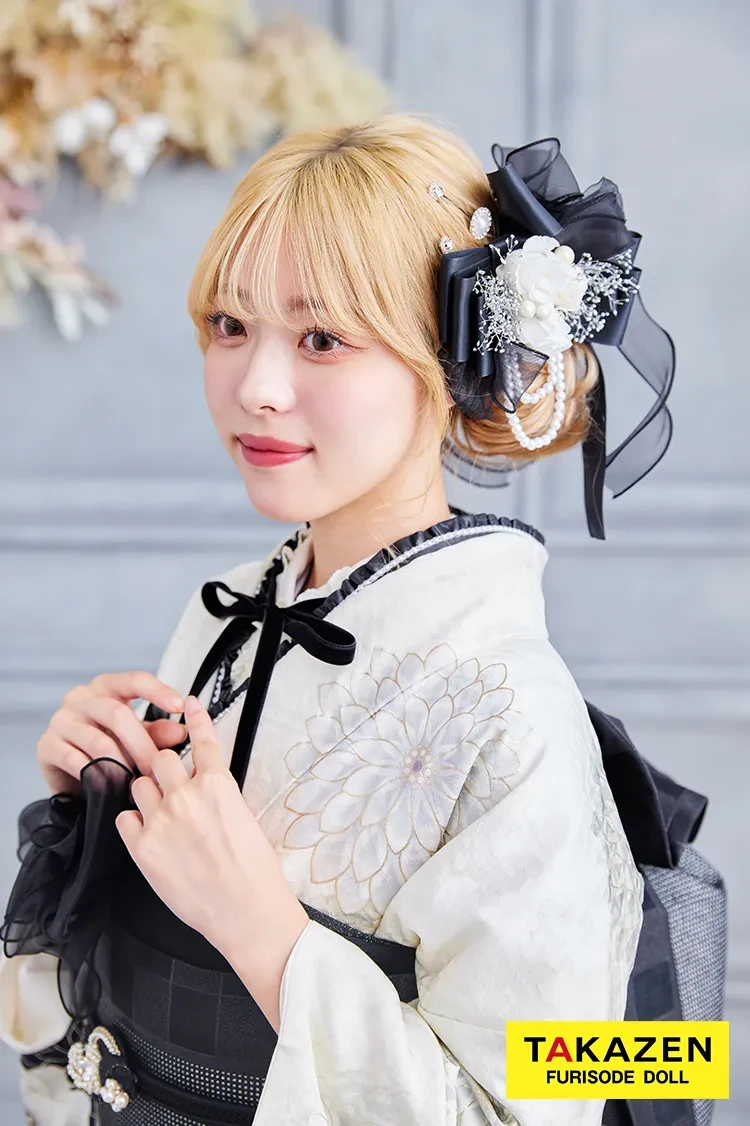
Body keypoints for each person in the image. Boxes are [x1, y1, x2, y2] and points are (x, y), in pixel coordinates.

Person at [0, 113, 675, 1126]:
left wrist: (264, 935)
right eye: (230, 326)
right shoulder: (229, 615)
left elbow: (527, 1107)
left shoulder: (513, 712)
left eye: (322, 338)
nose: (257, 389)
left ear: (447, 358)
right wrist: (93, 820)